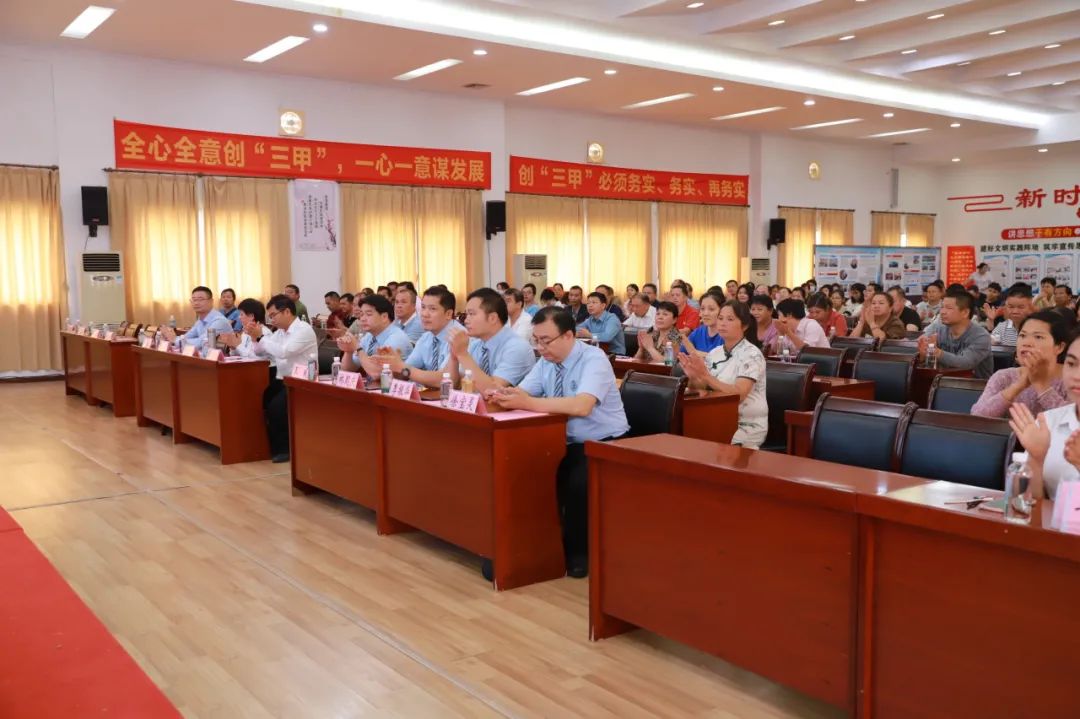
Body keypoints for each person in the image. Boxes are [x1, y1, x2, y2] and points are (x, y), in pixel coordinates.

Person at [488, 307, 629, 577]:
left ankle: (578, 553)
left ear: (568, 335)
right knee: (521, 471)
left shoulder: (594, 359)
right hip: (560, 440)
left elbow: (581, 406)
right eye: (536, 341)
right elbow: (523, 392)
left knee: (575, 481)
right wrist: (504, 395)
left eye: (546, 341)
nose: (540, 348)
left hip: (604, 443)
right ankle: (525, 548)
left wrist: (527, 402)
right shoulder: (546, 361)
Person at [678, 300, 767, 449]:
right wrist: (693, 376)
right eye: (720, 318)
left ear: (744, 326)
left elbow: (739, 394)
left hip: (745, 424)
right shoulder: (715, 353)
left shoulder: (752, 354)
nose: (723, 323)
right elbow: (703, 387)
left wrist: (705, 376)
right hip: (716, 417)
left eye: (730, 319)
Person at [1007, 331, 1080, 500]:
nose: (1076, 376)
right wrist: (1036, 459)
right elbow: (1027, 503)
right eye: (1071, 364)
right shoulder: (1048, 421)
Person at [247, 294, 318, 463]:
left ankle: (284, 450)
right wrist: (255, 338)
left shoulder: (303, 330)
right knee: (261, 399)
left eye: (273, 315)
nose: (271, 320)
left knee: (276, 407)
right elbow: (259, 351)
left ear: (286, 312)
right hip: (283, 378)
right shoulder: (279, 332)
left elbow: (284, 352)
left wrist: (262, 338)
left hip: (301, 381)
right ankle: (266, 446)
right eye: (269, 316)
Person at [971, 310, 1070, 418]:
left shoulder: (1072, 380)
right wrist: (1018, 386)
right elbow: (977, 416)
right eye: (1022, 335)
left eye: (1038, 337)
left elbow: (1074, 422)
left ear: (1059, 347)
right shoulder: (1004, 376)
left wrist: (1041, 386)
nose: (1026, 343)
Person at [361, 286, 463, 388]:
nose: (424, 314)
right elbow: (405, 373)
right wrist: (391, 365)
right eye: (423, 307)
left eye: (432, 309)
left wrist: (401, 367)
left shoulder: (460, 337)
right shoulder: (426, 337)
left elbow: (446, 380)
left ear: (448, 314)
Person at [449, 288, 536, 392]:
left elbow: (491, 390)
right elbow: (454, 383)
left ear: (492, 318)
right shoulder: (476, 344)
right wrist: (454, 356)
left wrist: (462, 354)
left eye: (471, 314)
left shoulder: (517, 348)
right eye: (466, 314)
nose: (466, 320)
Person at [917, 291, 993, 379]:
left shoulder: (981, 336)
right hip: (941, 383)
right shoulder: (938, 329)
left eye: (948, 308)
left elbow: (966, 363)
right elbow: (926, 362)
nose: (942, 312)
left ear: (965, 312)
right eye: (942, 307)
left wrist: (937, 352)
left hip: (974, 385)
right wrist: (923, 355)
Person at [337, 294, 413, 373]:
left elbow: (377, 373)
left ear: (384, 317)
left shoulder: (396, 338)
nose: (362, 319)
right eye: (361, 314)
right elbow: (347, 369)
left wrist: (357, 348)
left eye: (368, 314)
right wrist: (348, 351)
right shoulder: (369, 336)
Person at [160, 286, 234, 350]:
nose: (196, 303)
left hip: (222, 360)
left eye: (200, 299)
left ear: (211, 301)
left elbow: (201, 342)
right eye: (194, 300)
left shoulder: (219, 321)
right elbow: (187, 336)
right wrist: (169, 337)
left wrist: (175, 340)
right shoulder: (200, 320)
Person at [220, 298, 274, 376]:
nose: (239, 317)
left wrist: (237, 346)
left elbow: (255, 358)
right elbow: (239, 355)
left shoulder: (265, 333)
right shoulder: (245, 331)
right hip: (247, 369)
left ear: (252, 316)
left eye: (241, 314)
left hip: (263, 373)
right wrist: (233, 347)